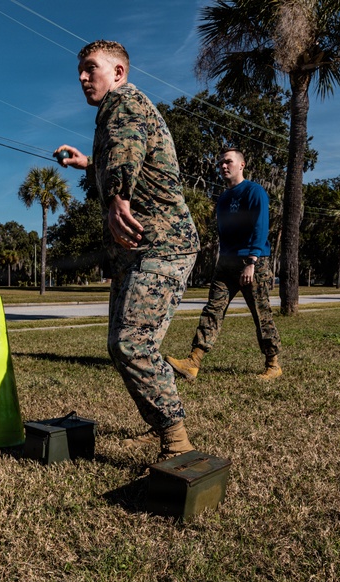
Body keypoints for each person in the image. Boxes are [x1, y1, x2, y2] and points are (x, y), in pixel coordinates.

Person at [55, 40, 200, 461]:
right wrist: (89, 164)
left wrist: (118, 196)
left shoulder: (124, 102)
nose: (82, 78)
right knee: (123, 346)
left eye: (90, 68)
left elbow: (127, 151)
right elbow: (127, 149)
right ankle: (161, 427)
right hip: (139, 250)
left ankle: (176, 442)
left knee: (131, 343)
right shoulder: (114, 115)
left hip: (162, 244)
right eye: (79, 71)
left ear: (117, 73)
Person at [165, 148, 282, 382]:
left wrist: (251, 261)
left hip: (252, 263)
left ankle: (273, 364)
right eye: (220, 164)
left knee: (261, 314)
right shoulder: (224, 199)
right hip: (226, 263)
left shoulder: (254, 191)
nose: (223, 166)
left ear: (242, 165)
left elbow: (260, 226)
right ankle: (193, 362)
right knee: (212, 310)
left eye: (228, 162)